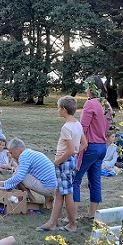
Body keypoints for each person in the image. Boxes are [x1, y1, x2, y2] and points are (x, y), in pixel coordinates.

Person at [37, 95, 86, 232]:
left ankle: (72, 225)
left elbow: (70, 150)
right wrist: (75, 153)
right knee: (60, 193)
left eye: (58, 108)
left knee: (67, 193)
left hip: (64, 162)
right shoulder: (78, 124)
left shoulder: (66, 127)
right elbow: (84, 144)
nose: (58, 110)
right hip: (71, 161)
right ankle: (52, 222)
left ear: (64, 109)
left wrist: (58, 161)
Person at [74, 76, 113, 220]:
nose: (85, 90)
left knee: (75, 179)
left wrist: (75, 147)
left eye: (86, 87)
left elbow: (82, 129)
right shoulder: (106, 104)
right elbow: (109, 128)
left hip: (89, 146)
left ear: (91, 88)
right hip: (102, 147)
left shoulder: (90, 104)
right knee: (95, 180)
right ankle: (91, 213)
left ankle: (73, 215)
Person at [0, 138, 57, 206]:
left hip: (48, 187)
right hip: (54, 185)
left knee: (17, 176)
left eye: (11, 153)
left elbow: (19, 177)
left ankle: (33, 201)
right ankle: (48, 198)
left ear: (16, 149)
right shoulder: (29, 153)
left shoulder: (24, 156)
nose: (12, 156)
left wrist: (5, 183)